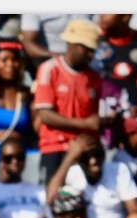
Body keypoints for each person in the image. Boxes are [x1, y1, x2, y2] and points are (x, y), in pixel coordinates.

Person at [31, 20, 104, 186]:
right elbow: (45, 114)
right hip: (55, 147)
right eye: (86, 49)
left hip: (85, 148)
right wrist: (84, 123)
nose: (90, 55)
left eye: (92, 50)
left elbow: (93, 117)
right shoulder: (49, 69)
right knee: (52, 198)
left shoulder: (95, 77)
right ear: (71, 44)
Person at [46, 133, 137, 218]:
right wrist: (70, 156)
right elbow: (51, 198)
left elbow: (136, 211)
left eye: (97, 154)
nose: (93, 161)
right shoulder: (73, 172)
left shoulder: (119, 170)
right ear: (78, 159)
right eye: (86, 157)